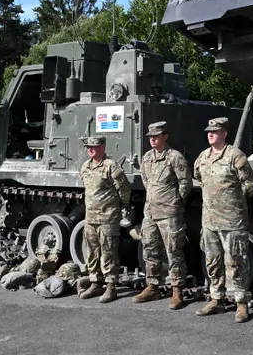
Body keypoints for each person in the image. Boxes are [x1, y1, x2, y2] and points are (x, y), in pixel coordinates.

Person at [193, 117, 253, 323]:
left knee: (236, 263)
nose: (210, 133)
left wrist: (233, 202)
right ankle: (216, 299)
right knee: (212, 262)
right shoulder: (203, 157)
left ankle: (241, 303)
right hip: (210, 220)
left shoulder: (235, 156)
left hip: (231, 220)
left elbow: (250, 185)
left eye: (215, 131)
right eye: (208, 131)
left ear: (224, 133)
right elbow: (199, 178)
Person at [133, 121, 193, 310]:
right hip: (150, 212)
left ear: (165, 137)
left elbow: (186, 183)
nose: (152, 139)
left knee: (173, 252)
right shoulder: (147, 157)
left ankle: (177, 290)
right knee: (150, 249)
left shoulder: (175, 157)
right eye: (150, 137)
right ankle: (153, 287)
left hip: (169, 214)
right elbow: (145, 180)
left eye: (156, 136)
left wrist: (175, 202)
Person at [78, 135, 132, 303]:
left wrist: (120, 206)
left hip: (108, 217)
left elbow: (124, 190)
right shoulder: (86, 166)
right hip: (91, 218)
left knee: (108, 253)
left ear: (103, 147)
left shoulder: (111, 166)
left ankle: (110, 287)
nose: (90, 149)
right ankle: (95, 283)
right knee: (92, 253)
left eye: (94, 146)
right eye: (88, 147)